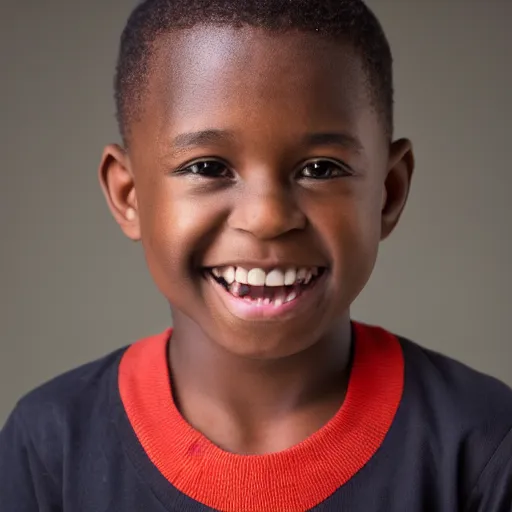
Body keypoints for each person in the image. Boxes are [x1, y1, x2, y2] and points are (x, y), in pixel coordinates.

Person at [1, 0, 511, 510]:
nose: (267, 217)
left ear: (389, 191)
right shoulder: (49, 449)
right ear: (129, 194)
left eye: (321, 169)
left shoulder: (485, 448)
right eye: (206, 167)